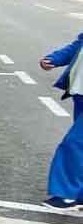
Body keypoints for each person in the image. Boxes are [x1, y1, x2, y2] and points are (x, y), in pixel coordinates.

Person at [39, 33, 83, 211]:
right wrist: (53, 59)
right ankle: (79, 196)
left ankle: (66, 195)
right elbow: (78, 45)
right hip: (80, 94)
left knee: (74, 144)